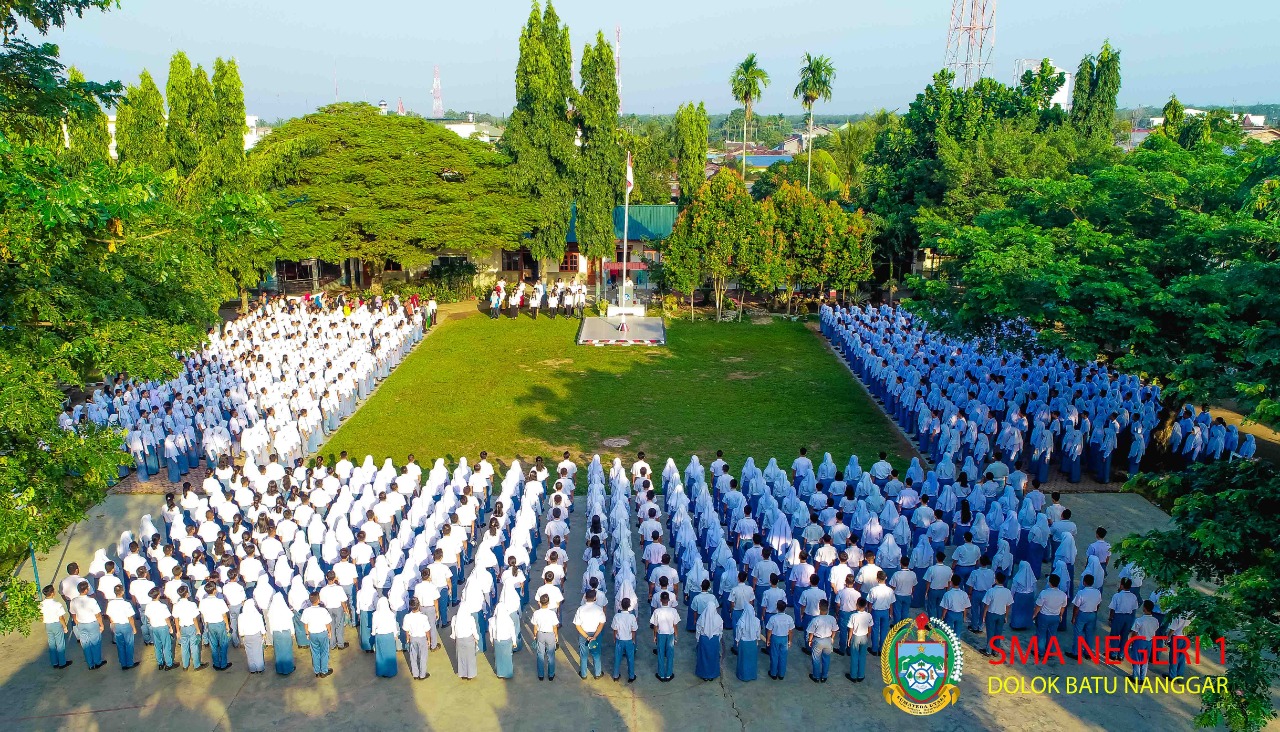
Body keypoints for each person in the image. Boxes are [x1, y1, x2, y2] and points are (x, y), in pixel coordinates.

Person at [1030, 574, 1068, 661]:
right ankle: (1050, 652)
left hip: (1044, 616)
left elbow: (1038, 606)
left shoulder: (1044, 593)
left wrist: (1034, 615)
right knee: (1052, 635)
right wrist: (1060, 615)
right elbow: (1063, 607)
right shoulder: (1063, 595)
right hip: (1055, 617)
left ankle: (1040, 652)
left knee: (1041, 634)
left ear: (1049, 582)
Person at [70, 580, 105, 669]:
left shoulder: (73, 601)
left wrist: (76, 622)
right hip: (92, 623)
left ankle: (90, 664)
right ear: (86, 590)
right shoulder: (91, 601)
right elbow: (97, 614)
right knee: (95, 643)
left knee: (85, 644)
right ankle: (97, 661)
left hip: (81, 624)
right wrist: (101, 624)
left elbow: (73, 613)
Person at [574, 589, 607, 679]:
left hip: (584, 634)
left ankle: (583, 674)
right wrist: (594, 636)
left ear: (585, 597)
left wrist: (587, 637)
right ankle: (597, 673)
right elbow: (601, 624)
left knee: (583, 655)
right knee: (596, 654)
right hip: (596, 634)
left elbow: (577, 625)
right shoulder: (599, 609)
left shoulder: (580, 609)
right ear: (595, 598)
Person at [199, 582, 232, 671]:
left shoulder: (203, 602)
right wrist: (227, 625)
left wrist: (206, 623)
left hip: (210, 624)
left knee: (213, 645)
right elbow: (224, 615)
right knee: (223, 644)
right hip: (220, 624)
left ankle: (216, 663)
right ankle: (223, 664)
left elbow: (202, 614)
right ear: (214, 590)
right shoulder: (220, 601)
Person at [105, 585, 139, 670]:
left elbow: (109, 615)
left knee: (120, 645)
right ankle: (129, 663)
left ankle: (123, 663)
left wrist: (112, 623)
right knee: (129, 644)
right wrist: (134, 628)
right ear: (122, 592)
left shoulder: (110, 603)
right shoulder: (126, 604)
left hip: (116, 625)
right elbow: (130, 617)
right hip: (126, 625)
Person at [1068, 574, 1102, 659]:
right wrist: (1095, 612)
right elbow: (1098, 604)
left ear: (1084, 582)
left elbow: (1076, 607)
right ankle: (1088, 653)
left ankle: (1076, 653)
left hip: (1082, 614)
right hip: (1092, 614)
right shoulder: (1097, 592)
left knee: (1078, 633)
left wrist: (1073, 617)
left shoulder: (1081, 592)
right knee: (1089, 634)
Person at [301, 591, 334, 678]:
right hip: (322, 633)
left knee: (314, 652)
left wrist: (307, 633)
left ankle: (317, 671)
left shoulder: (306, 611)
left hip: (312, 634)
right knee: (324, 652)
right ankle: (324, 671)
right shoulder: (323, 610)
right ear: (318, 600)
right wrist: (329, 632)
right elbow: (328, 624)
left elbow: (305, 624)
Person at [981, 572, 1013, 657]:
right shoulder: (1007, 591)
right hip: (1001, 614)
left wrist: (984, 615)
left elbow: (986, 605)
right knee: (998, 633)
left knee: (990, 633)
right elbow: (1008, 605)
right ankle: (996, 650)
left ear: (996, 580)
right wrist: (1006, 616)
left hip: (991, 614)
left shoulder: (991, 591)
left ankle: (988, 650)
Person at [40, 585, 72, 669]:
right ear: (52, 593)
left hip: (48, 625)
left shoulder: (41, 604)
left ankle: (54, 662)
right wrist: (65, 626)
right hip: (56, 624)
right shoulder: (57, 604)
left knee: (52, 644)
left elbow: (41, 616)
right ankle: (62, 662)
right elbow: (61, 617)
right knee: (60, 643)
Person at [145, 587, 177, 670]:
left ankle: (160, 663)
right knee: (166, 645)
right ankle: (169, 664)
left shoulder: (148, 605)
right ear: (158, 595)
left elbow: (148, 616)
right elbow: (167, 618)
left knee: (157, 646)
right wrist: (170, 627)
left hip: (154, 627)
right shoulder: (162, 606)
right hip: (163, 627)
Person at [651, 592, 680, 682]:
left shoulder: (657, 611)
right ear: (669, 600)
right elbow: (675, 625)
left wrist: (654, 636)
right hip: (670, 634)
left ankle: (661, 674)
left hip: (661, 634)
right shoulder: (673, 611)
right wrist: (676, 636)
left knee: (660, 654)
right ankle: (668, 674)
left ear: (660, 600)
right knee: (670, 654)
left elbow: (655, 626)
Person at [844, 598, 874, 682]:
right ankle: (861, 675)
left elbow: (851, 629)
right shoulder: (869, 615)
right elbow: (870, 627)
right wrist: (867, 635)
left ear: (857, 605)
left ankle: (853, 675)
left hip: (856, 637)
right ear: (865, 605)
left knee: (854, 656)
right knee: (862, 656)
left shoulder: (853, 616)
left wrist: (849, 639)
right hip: (864, 636)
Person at [403, 598, 433, 680]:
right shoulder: (423, 617)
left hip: (412, 638)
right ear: (418, 606)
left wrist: (408, 638)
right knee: (423, 656)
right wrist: (429, 639)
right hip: (422, 638)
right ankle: (422, 674)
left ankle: (415, 674)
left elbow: (406, 630)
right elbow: (427, 630)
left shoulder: (407, 617)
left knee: (413, 656)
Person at [694, 598, 724, 681]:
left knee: (703, 657)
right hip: (714, 640)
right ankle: (712, 674)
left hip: (704, 639)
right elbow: (720, 631)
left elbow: (698, 630)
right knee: (713, 657)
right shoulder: (718, 619)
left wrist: (698, 639)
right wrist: (718, 639)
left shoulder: (702, 618)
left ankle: (703, 674)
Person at [531, 595, 559, 681]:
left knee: (540, 654)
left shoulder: (536, 613)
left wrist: (535, 635)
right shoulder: (552, 613)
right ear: (548, 602)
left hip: (540, 634)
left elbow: (535, 627)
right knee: (551, 655)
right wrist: (556, 636)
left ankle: (541, 675)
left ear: (540, 602)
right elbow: (555, 627)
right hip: (550, 634)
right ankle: (551, 675)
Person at [764, 600, 794, 680]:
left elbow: (769, 631)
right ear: (785, 608)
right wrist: (790, 640)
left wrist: (768, 640)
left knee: (774, 655)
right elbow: (790, 631)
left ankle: (773, 673)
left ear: (777, 608)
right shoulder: (789, 618)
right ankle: (781, 674)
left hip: (775, 638)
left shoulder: (773, 618)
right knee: (783, 656)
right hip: (784, 638)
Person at [451, 600, 480, 680]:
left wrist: (455, 639)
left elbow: (453, 631)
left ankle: (462, 674)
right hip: (469, 640)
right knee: (470, 658)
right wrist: (477, 638)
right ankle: (470, 675)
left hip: (459, 640)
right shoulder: (470, 618)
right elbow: (474, 631)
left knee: (461, 657)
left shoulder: (454, 618)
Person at [1130, 600, 1160, 680]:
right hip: (1149, 641)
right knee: (1145, 660)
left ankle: (1136, 677)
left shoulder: (1139, 620)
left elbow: (1134, 632)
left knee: (1137, 659)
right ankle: (1142, 677)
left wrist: (1131, 641)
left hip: (1139, 641)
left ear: (1144, 608)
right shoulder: (1155, 620)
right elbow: (1156, 630)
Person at [267, 594, 295, 675]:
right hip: (286, 632)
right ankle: (288, 668)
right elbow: (290, 623)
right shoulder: (285, 610)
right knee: (287, 651)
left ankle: (280, 669)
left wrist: (272, 633)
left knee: (278, 651)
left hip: (276, 633)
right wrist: (293, 632)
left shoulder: (271, 611)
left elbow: (270, 624)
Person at [370, 597, 399, 678]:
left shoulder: (375, 614)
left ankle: (381, 671)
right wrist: (395, 635)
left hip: (379, 636)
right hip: (389, 636)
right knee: (390, 654)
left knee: (380, 654)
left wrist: (373, 633)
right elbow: (394, 626)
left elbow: (374, 626)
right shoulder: (391, 614)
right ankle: (391, 672)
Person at [612, 597, 638, 682]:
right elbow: (634, 630)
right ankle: (631, 676)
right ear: (629, 606)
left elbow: (615, 629)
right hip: (629, 640)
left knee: (617, 658)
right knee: (630, 658)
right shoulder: (632, 617)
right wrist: (633, 639)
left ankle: (616, 675)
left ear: (620, 605)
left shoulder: (617, 616)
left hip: (619, 640)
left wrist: (614, 638)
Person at [238, 599, 267, 673]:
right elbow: (261, 626)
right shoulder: (257, 615)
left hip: (246, 636)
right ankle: (260, 668)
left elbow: (240, 628)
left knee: (249, 653)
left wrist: (242, 635)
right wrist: (264, 634)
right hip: (256, 635)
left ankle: (252, 669)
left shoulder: (241, 616)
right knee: (258, 652)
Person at [734, 607, 761, 681]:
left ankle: (743, 675)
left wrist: (737, 641)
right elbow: (758, 632)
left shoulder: (741, 621)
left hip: (744, 643)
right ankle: (752, 675)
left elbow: (738, 633)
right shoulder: (757, 621)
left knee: (743, 659)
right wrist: (757, 640)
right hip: (753, 642)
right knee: (752, 659)